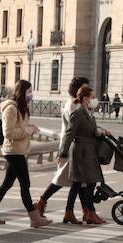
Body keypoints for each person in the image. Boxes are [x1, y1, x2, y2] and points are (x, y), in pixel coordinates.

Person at [0, 79, 52, 228]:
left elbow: (19, 127)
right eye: (29, 92)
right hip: (13, 151)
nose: (31, 95)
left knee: (7, 184)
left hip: (19, 150)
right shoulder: (10, 109)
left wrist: (29, 127)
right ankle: (35, 218)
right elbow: (8, 132)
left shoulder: (21, 108)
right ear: (21, 92)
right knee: (25, 184)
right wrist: (27, 131)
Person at [35, 77, 89, 221]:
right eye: (84, 88)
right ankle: (41, 203)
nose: (87, 91)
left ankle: (85, 212)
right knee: (62, 180)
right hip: (70, 148)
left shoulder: (76, 104)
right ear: (77, 90)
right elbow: (72, 130)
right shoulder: (72, 105)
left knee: (79, 182)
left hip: (74, 147)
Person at [58, 85, 107, 225]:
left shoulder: (88, 112)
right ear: (85, 99)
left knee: (79, 184)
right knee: (87, 182)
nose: (94, 100)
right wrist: (63, 153)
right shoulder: (78, 113)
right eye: (92, 97)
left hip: (88, 150)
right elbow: (69, 133)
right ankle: (89, 213)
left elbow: (90, 130)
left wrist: (100, 132)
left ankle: (71, 212)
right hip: (81, 151)